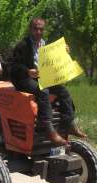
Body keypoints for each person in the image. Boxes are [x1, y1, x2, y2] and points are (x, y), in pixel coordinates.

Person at [10, 17, 86, 145]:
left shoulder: (46, 45)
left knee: (62, 91)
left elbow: (53, 62)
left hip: (41, 77)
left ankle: (69, 123)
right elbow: (13, 66)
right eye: (36, 29)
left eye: (41, 29)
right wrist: (27, 71)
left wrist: (64, 52)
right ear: (30, 29)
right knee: (43, 90)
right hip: (24, 79)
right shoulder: (22, 45)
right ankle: (48, 128)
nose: (38, 32)